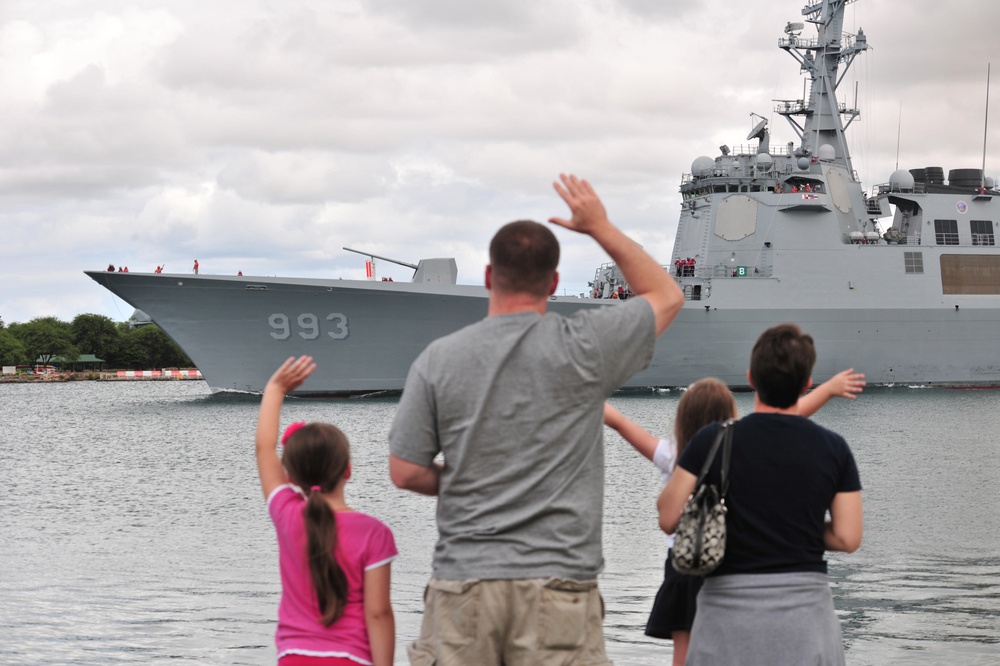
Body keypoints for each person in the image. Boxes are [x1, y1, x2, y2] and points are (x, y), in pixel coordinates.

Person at [388, 173, 685, 665]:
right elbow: (668, 297)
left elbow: (405, 471)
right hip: (559, 587)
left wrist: (472, 480)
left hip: (463, 585)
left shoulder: (438, 359)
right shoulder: (584, 346)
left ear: (488, 276)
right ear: (552, 282)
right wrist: (599, 228)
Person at [605, 368, 864, 666]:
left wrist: (581, 396)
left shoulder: (671, 453)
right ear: (729, 413)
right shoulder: (735, 445)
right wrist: (828, 389)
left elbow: (621, 423)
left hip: (685, 564)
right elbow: (790, 417)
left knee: (685, 655)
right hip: (726, 565)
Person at [256, 355, 397, 666]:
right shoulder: (375, 533)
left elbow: (264, 448)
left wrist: (275, 389)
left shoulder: (287, 515)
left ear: (290, 478)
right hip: (352, 657)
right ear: (347, 469)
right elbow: (378, 613)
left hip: (294, 657)